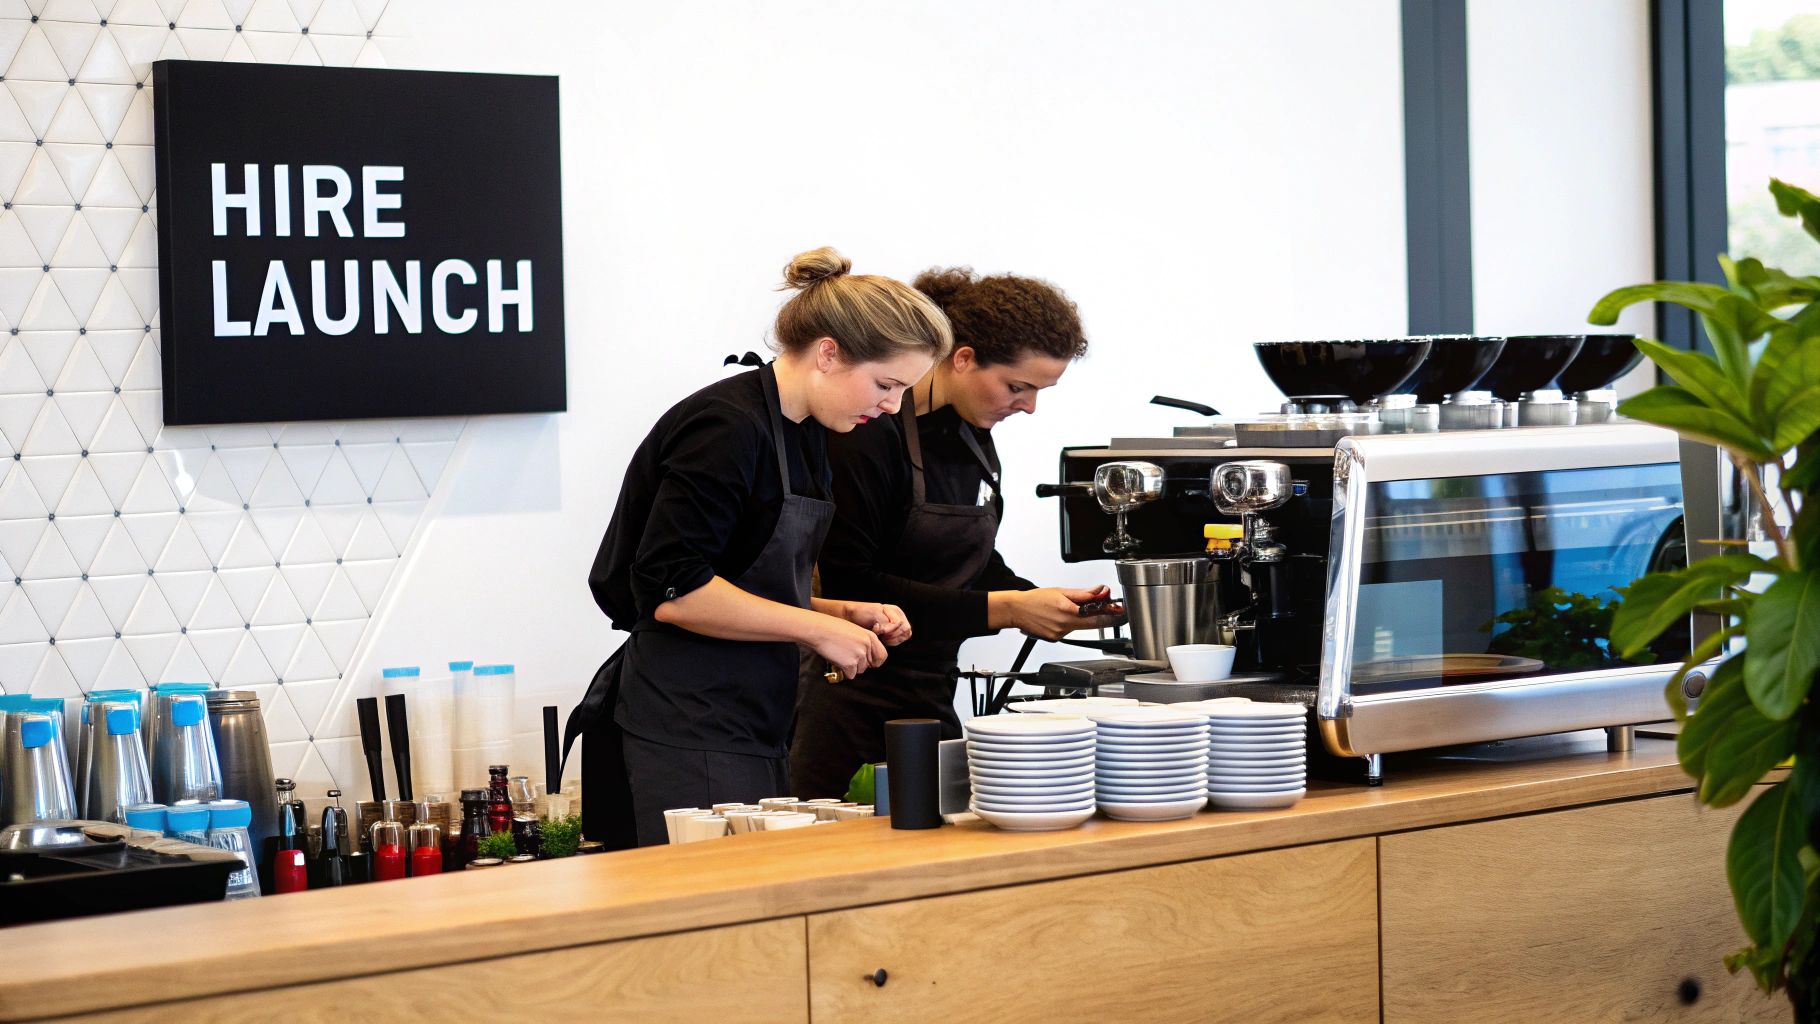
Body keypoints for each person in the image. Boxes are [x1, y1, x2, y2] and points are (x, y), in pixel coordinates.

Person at [564, 247, 951, 847]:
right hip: (686, 721)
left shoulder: (806, 432)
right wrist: (815, 631)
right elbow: (675, 592)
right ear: (828, 353)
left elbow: (744, 582)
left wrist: (839, 613)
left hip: (754, 718)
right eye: (886, 383)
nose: (892, 405)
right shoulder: (725, 429)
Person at [789, 267, 1119, 800]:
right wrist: (1007, 609)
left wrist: (1039, 598)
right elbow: (855, 584)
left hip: (928, 686)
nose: (1029, 406)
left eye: (1039, 391)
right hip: (843, 692)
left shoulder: (970, 437)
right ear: (962, 358)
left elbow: (969, 558)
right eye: (1018, 386)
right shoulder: (866, 435)